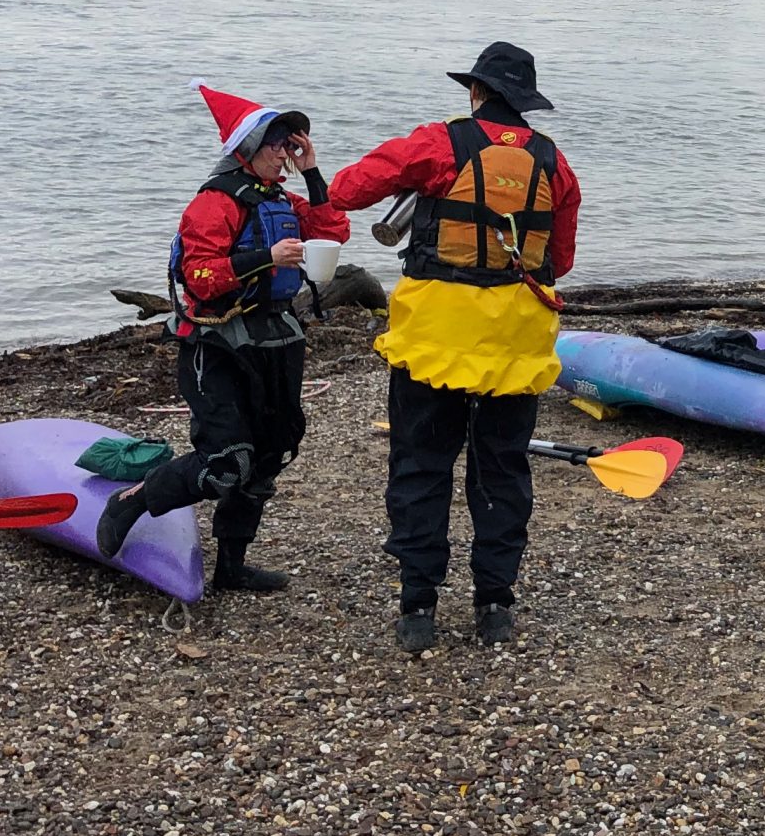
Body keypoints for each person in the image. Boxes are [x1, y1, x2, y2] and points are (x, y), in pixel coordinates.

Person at [329, 43, 580, 653]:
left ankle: (418, 605)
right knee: (502, 466)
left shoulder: (439, 144)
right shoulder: (556, 163)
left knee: (421, 463)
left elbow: (346, 190)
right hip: (518, 343)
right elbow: (561, 261)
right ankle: (495, 603)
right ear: (523, 102)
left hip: (436, 339)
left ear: (476, 92)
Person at [97, 84, 352, 591]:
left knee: (269, 454)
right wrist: (266, 258)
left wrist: (314, 172)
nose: (285, 151)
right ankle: (133, 500)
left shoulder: (280, 198)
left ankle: (231, 569)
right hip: (216, 344)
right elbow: (200, 279)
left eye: (289, 142)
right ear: (247, 148)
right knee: (225, 463)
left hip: (277, 337)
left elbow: (334, 231)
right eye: (277, 143)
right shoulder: (214, 204)